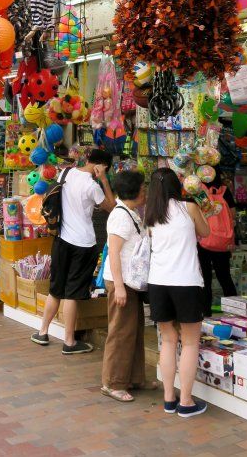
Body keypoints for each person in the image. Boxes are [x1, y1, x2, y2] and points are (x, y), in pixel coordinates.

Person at [32, 148, 115, 354]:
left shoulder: (65, 173)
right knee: (72, 293)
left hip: (61, 240)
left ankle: (42, 331)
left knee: (56, 289)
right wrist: (104, 180)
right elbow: (112, 207)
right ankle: (69, 341)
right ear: (101, 166)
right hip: (84, 244)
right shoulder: (92, 186)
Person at [145, 168, 210, 418]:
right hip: (186, 281)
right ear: (177, 186)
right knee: (191, 341)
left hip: (158, 283)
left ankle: (168, 399)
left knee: (168, 340)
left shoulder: (150, 215)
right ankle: (186, 401)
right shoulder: (189, 208)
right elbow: (205, 233)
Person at [101, 170, 155, 402]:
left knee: (133, 330)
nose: (145, 191)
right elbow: (113, 252)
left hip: (129, 281)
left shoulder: (130, 213)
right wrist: (120, 287)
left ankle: (133, 377)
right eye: (143, 187)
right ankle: (113, 382)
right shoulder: (121, 216)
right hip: (120, 281)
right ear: (133, 190)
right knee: (121, 331)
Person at [196, 168, 237, 315]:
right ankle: (235, 312)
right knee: (225, 277)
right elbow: (233, 215)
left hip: (203, 240)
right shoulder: (225, 191)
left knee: (204, 278)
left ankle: (205, 312)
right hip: (222, 242)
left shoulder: (199, 192)